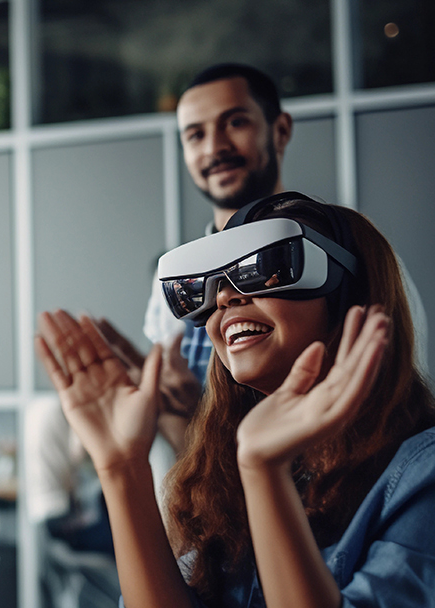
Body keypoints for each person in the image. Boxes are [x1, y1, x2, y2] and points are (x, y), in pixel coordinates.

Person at [36, 194, 435, 608]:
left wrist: (263, 470)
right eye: (212, 285)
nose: (225, 298)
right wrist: (121, 467)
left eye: (264, 267)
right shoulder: (217, 468)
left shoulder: (422, 473)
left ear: (348, 294)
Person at [152, 63, 426, 383]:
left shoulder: (358, 256)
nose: (215, 147)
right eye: (196, 135)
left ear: (280, 130)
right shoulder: (173, 288)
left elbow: (401, 391)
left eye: (235, 122)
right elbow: (184, 424)